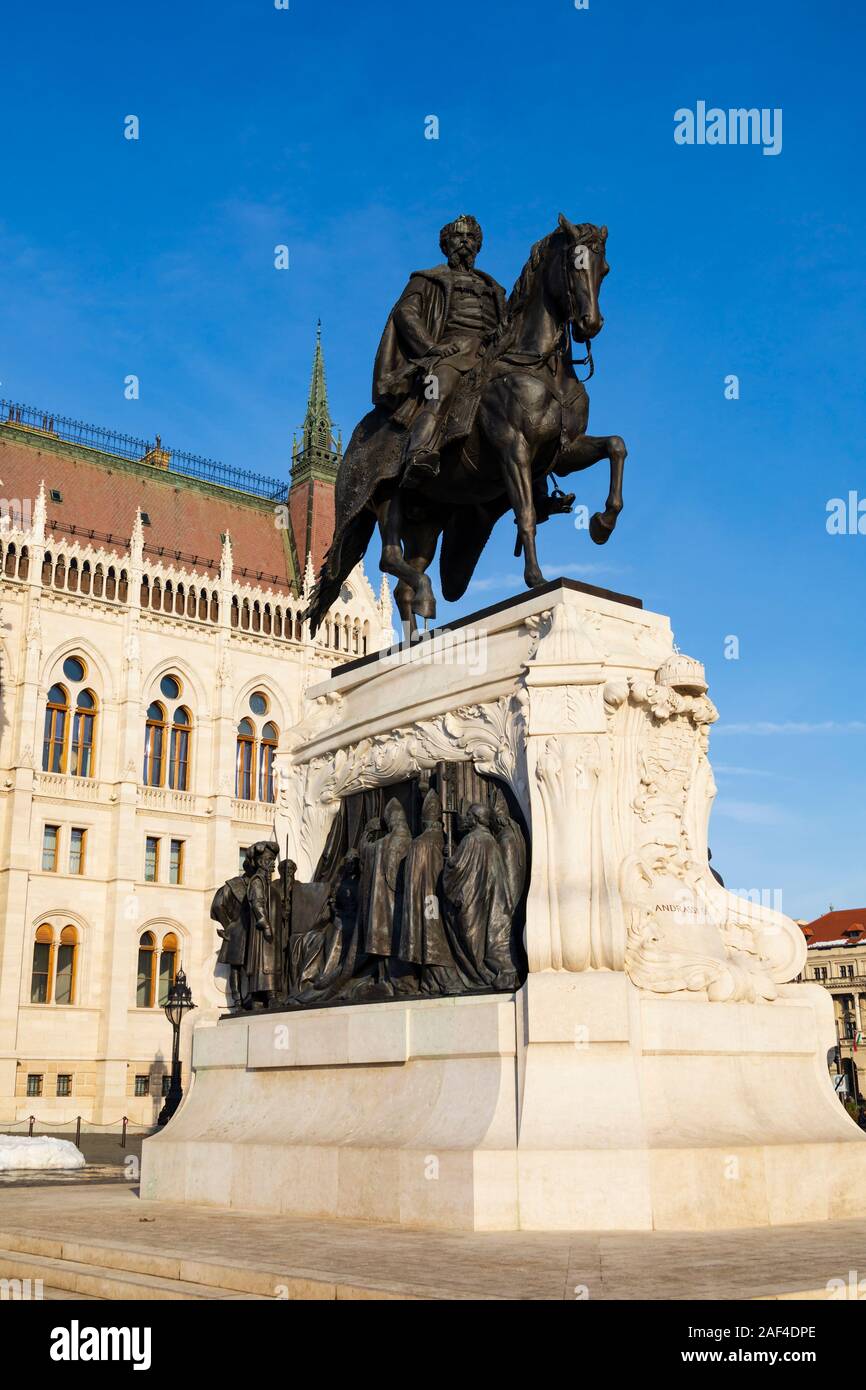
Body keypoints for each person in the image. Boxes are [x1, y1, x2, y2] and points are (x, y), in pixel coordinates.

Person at [372, 215, 506, 488]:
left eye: (471, 238)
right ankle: (419, 451)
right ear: (446, 245)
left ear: (478, 246)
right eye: (458, 237)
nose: (465, 242)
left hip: (491, 355)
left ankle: (538, 482)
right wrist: (432, 348)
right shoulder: (427, 279)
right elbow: (406, 313)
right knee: (440, 387)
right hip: (451, 352)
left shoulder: (494, 288)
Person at [442, 803, 520, 991]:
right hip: (488, 900)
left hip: (474, 902)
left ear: (477, 819)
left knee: (470, 936)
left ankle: (481, 974)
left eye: (469, 815)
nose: (465, 818)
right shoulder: (490, 841)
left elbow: (456, 870)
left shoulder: (472, 840)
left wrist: (449, 860)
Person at [397, 788, 461, 995]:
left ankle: (433, 980)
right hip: (433, 900)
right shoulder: (444, 842)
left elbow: (411, 882)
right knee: (432, 934)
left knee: (432, 935)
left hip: (428, 900)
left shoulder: (422, 843)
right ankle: (434, 980)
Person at [358, 799, 412, 991]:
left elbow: (363, 852)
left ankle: (386, 978)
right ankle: (387, 979)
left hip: (386, 904)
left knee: (386, 941)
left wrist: (367, 832)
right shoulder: (407, 839)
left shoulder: (385, 842)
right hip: (394, 903)